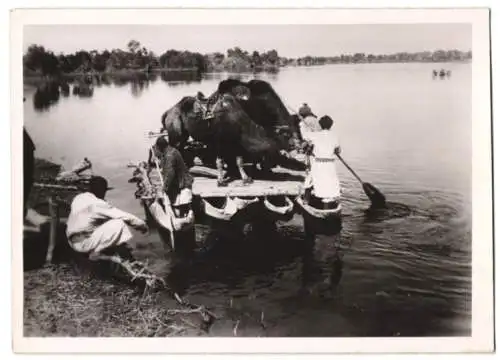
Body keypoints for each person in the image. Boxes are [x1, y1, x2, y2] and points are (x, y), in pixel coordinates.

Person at [66, 176, 148, 258]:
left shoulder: (78, 198)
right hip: (83, 244)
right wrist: (142, 226)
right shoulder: (98, 204)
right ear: (102, 190)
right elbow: (125, 216)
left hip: (72, 242)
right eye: (104, 191)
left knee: (103, 222)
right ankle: (97, 252)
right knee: (119, 223)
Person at [300, 115, 342, 204]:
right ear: (331, 125)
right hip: (330, 164)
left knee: (310, 180)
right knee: (330, 181)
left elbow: (304, 136)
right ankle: (329, 201)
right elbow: (338, 151)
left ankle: (306, 201)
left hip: (318, 163)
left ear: (320, 125)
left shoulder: (315, 135)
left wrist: (303, 125)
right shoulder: (335, 136)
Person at [151, 133, 194, 212]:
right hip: (182, 183)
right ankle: (183, 212)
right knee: (181, 205)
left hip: (183, 185)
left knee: (180, 205)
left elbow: (169, 173)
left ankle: (181, 212)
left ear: (160, 147)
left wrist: (165, 187)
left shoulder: (169, 155)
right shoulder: (172, 150)